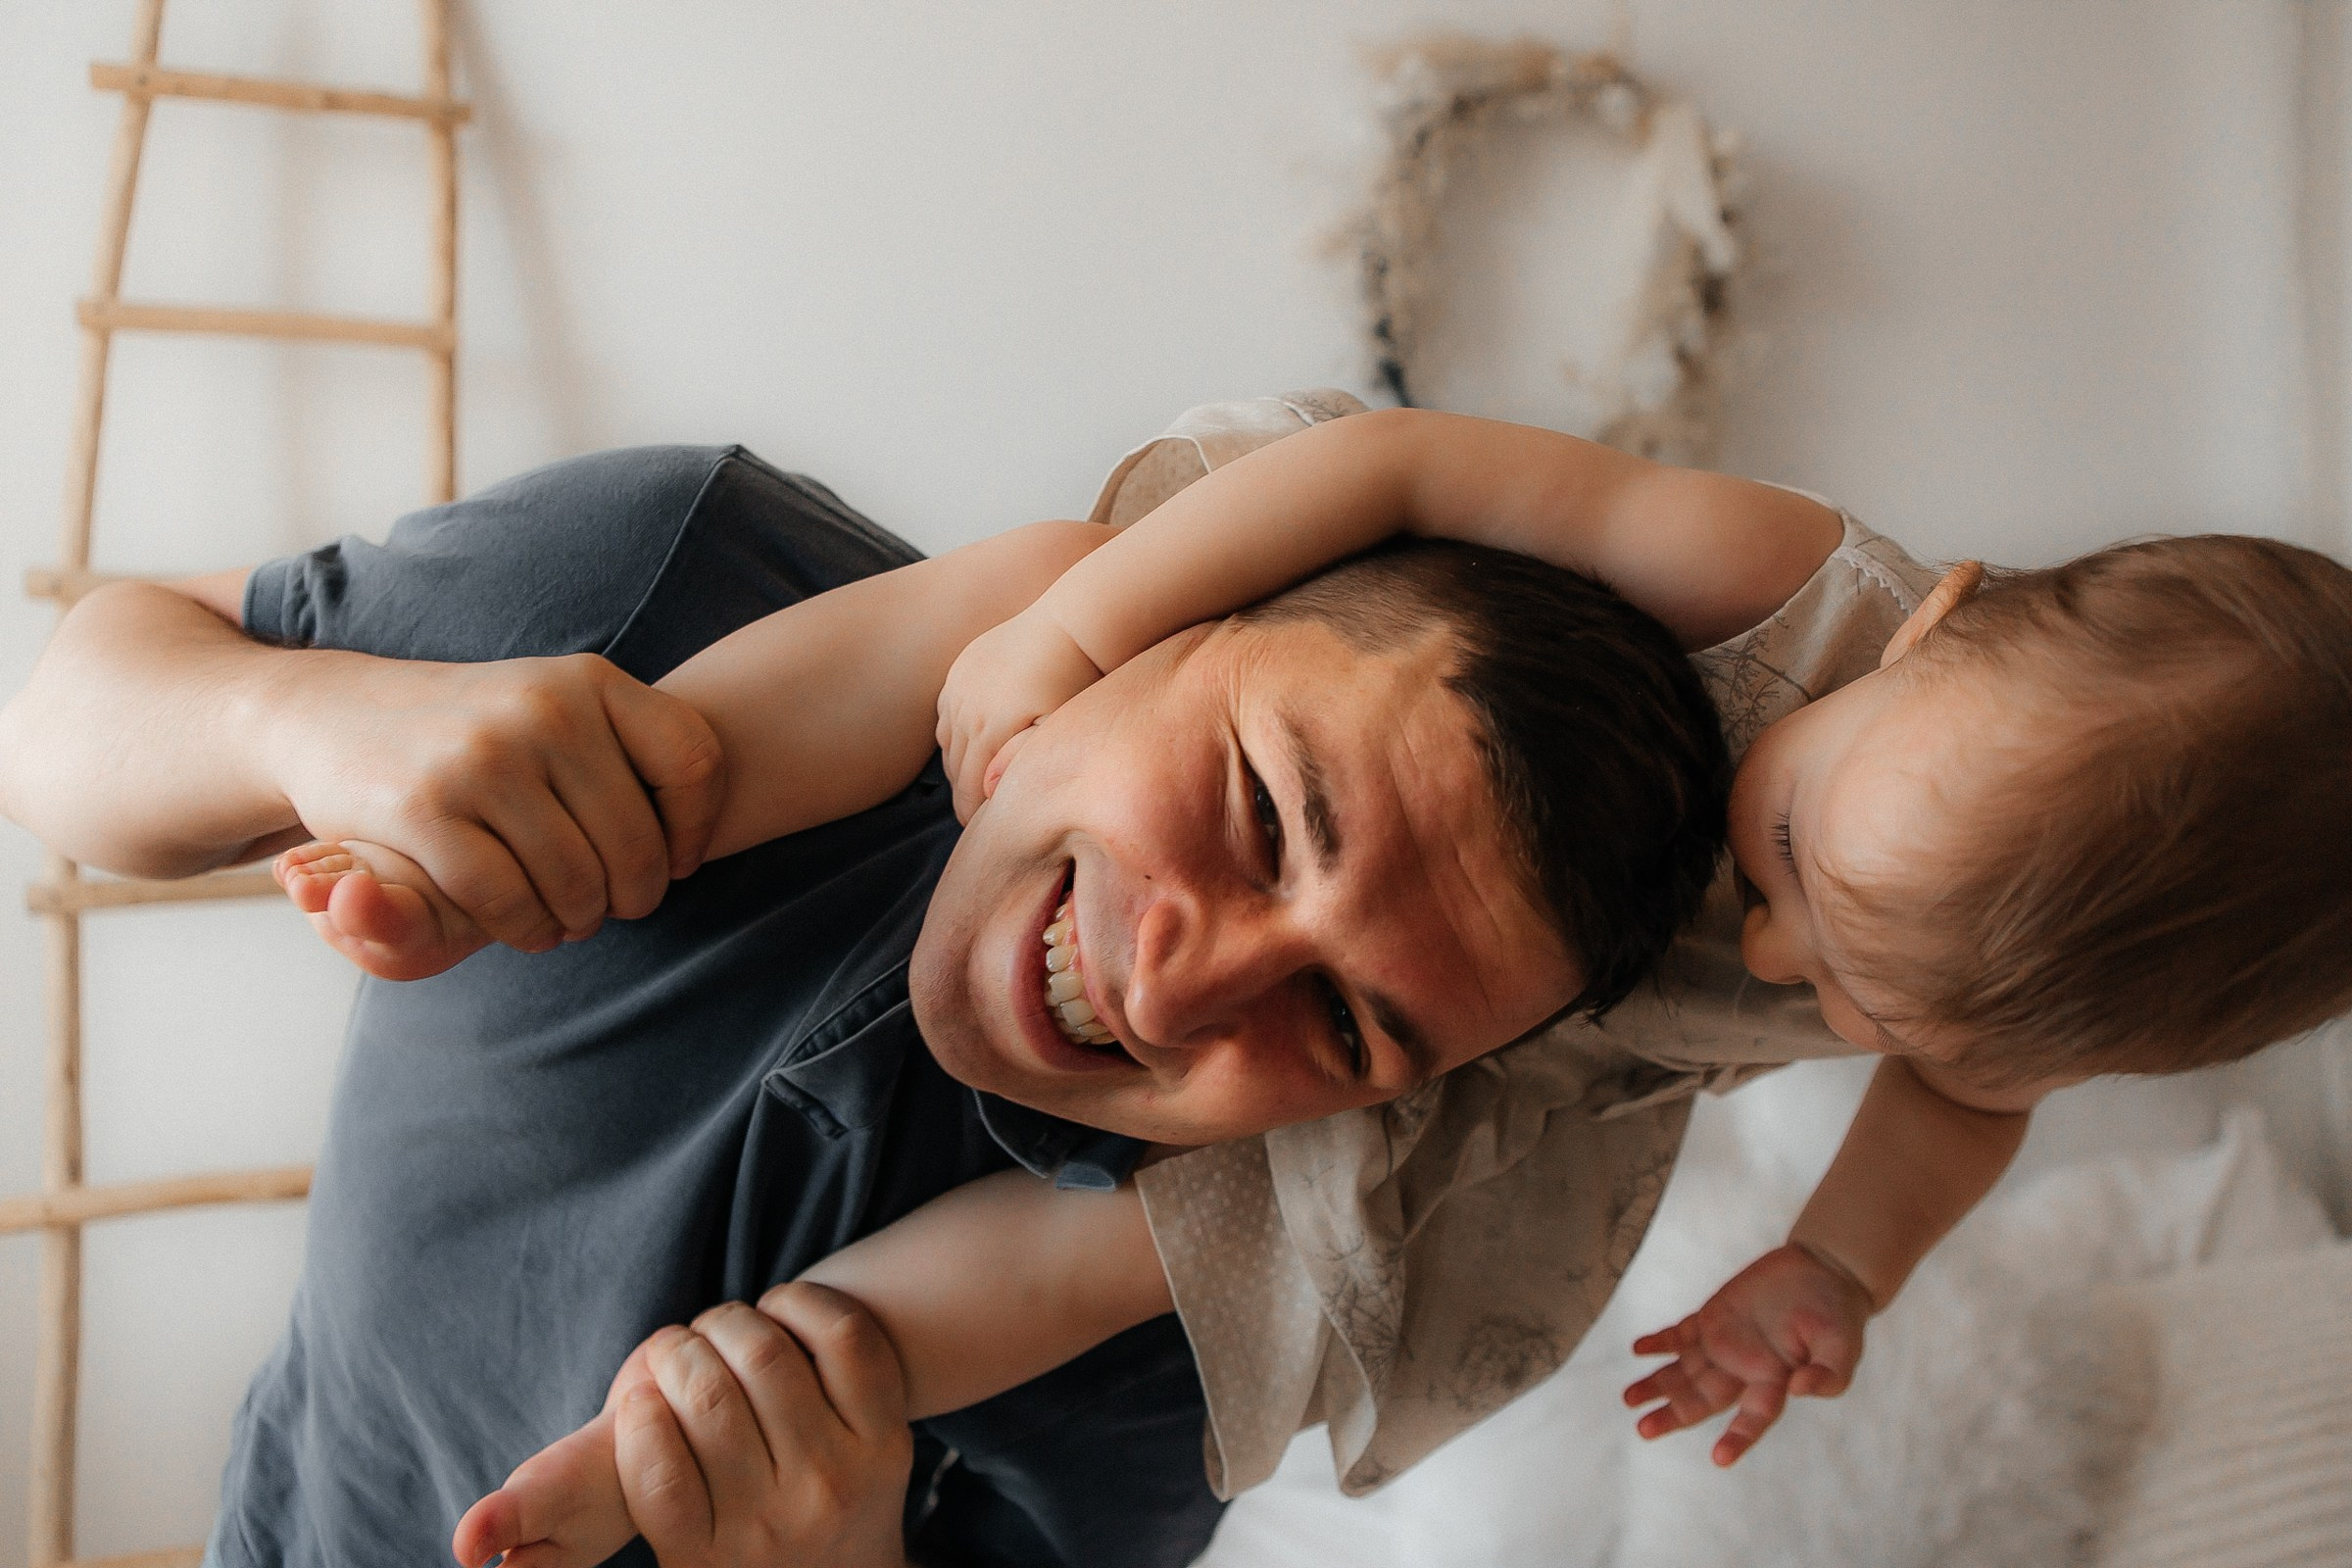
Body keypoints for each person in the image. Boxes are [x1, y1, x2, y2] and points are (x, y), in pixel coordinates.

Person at [258, 389, 2352, 1559]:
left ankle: (776, 1389)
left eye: (1864, 989)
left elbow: (1967, 1102)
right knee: (975, 629)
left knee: (1162, 1250)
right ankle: (553, 834)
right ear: (1944, 623)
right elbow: (1412, 473)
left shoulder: (1986, 994)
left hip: (1519, 1068)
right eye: (1800, 853)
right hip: (1430, 744)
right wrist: (1085, 643)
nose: (1781, 950)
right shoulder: (1785, 580)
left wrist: (1837, 1272)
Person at [0, 433, 1731, 1567]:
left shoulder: (1171, 1338)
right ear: (1169, 617)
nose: (1187, 989)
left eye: (1346, 1026)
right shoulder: (669, 592)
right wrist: (292, 724)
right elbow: (61, 715)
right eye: (1264, 809)